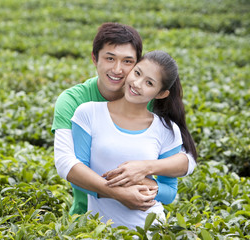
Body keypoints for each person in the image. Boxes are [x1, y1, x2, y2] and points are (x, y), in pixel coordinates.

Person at [51, 22, 197, 215]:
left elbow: (187, 160)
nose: (118, 69)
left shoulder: (147, 100)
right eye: (110, 58)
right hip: (87, 217)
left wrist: (144, 168)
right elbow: (65, 162)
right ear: (95, 58)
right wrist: (119, 193)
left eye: (128, 62)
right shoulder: (75, 102)